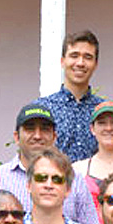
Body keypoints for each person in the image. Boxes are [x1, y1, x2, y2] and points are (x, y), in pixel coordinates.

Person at [0, 103, 99, 224]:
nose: (37, 136)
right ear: (17, 137)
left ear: (54, 137)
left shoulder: (74, 179)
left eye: (45, 129)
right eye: (30, 129)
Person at [36, 31, 104, 162]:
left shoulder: (105, 112)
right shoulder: (43, 108)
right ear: (62, 61)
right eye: (74, 56)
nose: (80, 63)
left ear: (96, 64)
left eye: (88, 57)